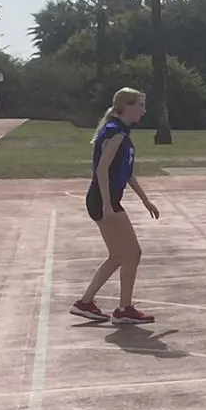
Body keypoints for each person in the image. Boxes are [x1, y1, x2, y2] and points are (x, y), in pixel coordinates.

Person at [72, 87, 160, 325]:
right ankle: (124, 309)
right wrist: (109, 206)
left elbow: (126, 174)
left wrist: (145, 200)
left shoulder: (121, 133)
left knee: (118, 255)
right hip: (104, 199)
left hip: (105, 199)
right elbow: (101, 170)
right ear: (126, 106)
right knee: (133, 252)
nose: (143, 110)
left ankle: (85, 303)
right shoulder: (117, 133)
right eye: (140, 105)